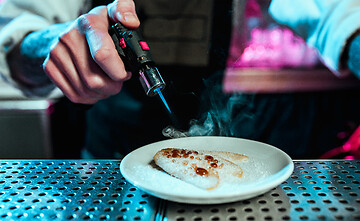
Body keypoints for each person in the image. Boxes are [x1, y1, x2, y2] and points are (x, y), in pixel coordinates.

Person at [0, 0, 360, 159]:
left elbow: (337, 13)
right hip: (112, 158)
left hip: (235, 155)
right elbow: (18, 33)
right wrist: (45, 44)